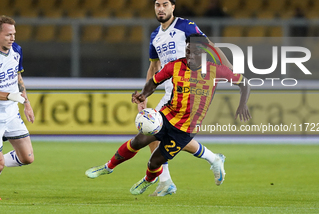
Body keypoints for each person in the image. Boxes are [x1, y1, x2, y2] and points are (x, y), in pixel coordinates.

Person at [85, 34, 251, 195]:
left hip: (186, 129)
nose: (190, 56)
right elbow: (154, 82)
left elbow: (244, 83)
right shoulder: (175, 66)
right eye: (187, 52)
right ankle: (108, 167)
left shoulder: (216, 71)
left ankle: (149, 180)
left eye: (194, 53)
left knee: (155, 161)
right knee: (138, 141)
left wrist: (242, 103)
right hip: (166, 116)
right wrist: (143, 95)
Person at [141, 0, 234, 196]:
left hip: (187, 89)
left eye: (165, 5)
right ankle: (211, 159)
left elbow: (209, 46)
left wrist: (230, 71)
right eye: (157, 5)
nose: (161, 8)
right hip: (170, 90)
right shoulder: (155, 36)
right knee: (167, 135)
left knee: (152, 131)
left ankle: (165, 180)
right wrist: (144, 93)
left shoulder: (185, 26)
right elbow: (154, 67)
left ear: (173, 7)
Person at [0, 15, 35, 175]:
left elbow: (18, 77)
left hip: (12, 112)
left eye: (14, 34)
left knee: (27, 157)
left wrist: (26, 103)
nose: (12, 38)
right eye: (8, 35)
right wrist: (9, 96)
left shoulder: (16, 50)